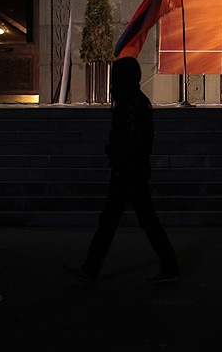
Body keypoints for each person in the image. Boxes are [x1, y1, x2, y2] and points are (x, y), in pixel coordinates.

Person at [65, 57, 179, 283]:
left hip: (128, 170)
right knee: (133, 220)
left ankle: (91, 268)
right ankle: (168, 265)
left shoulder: (130, 102)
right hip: (133, 168)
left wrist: (118, 158)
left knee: (115, 221)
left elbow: (129, 137)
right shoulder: (137, 100)